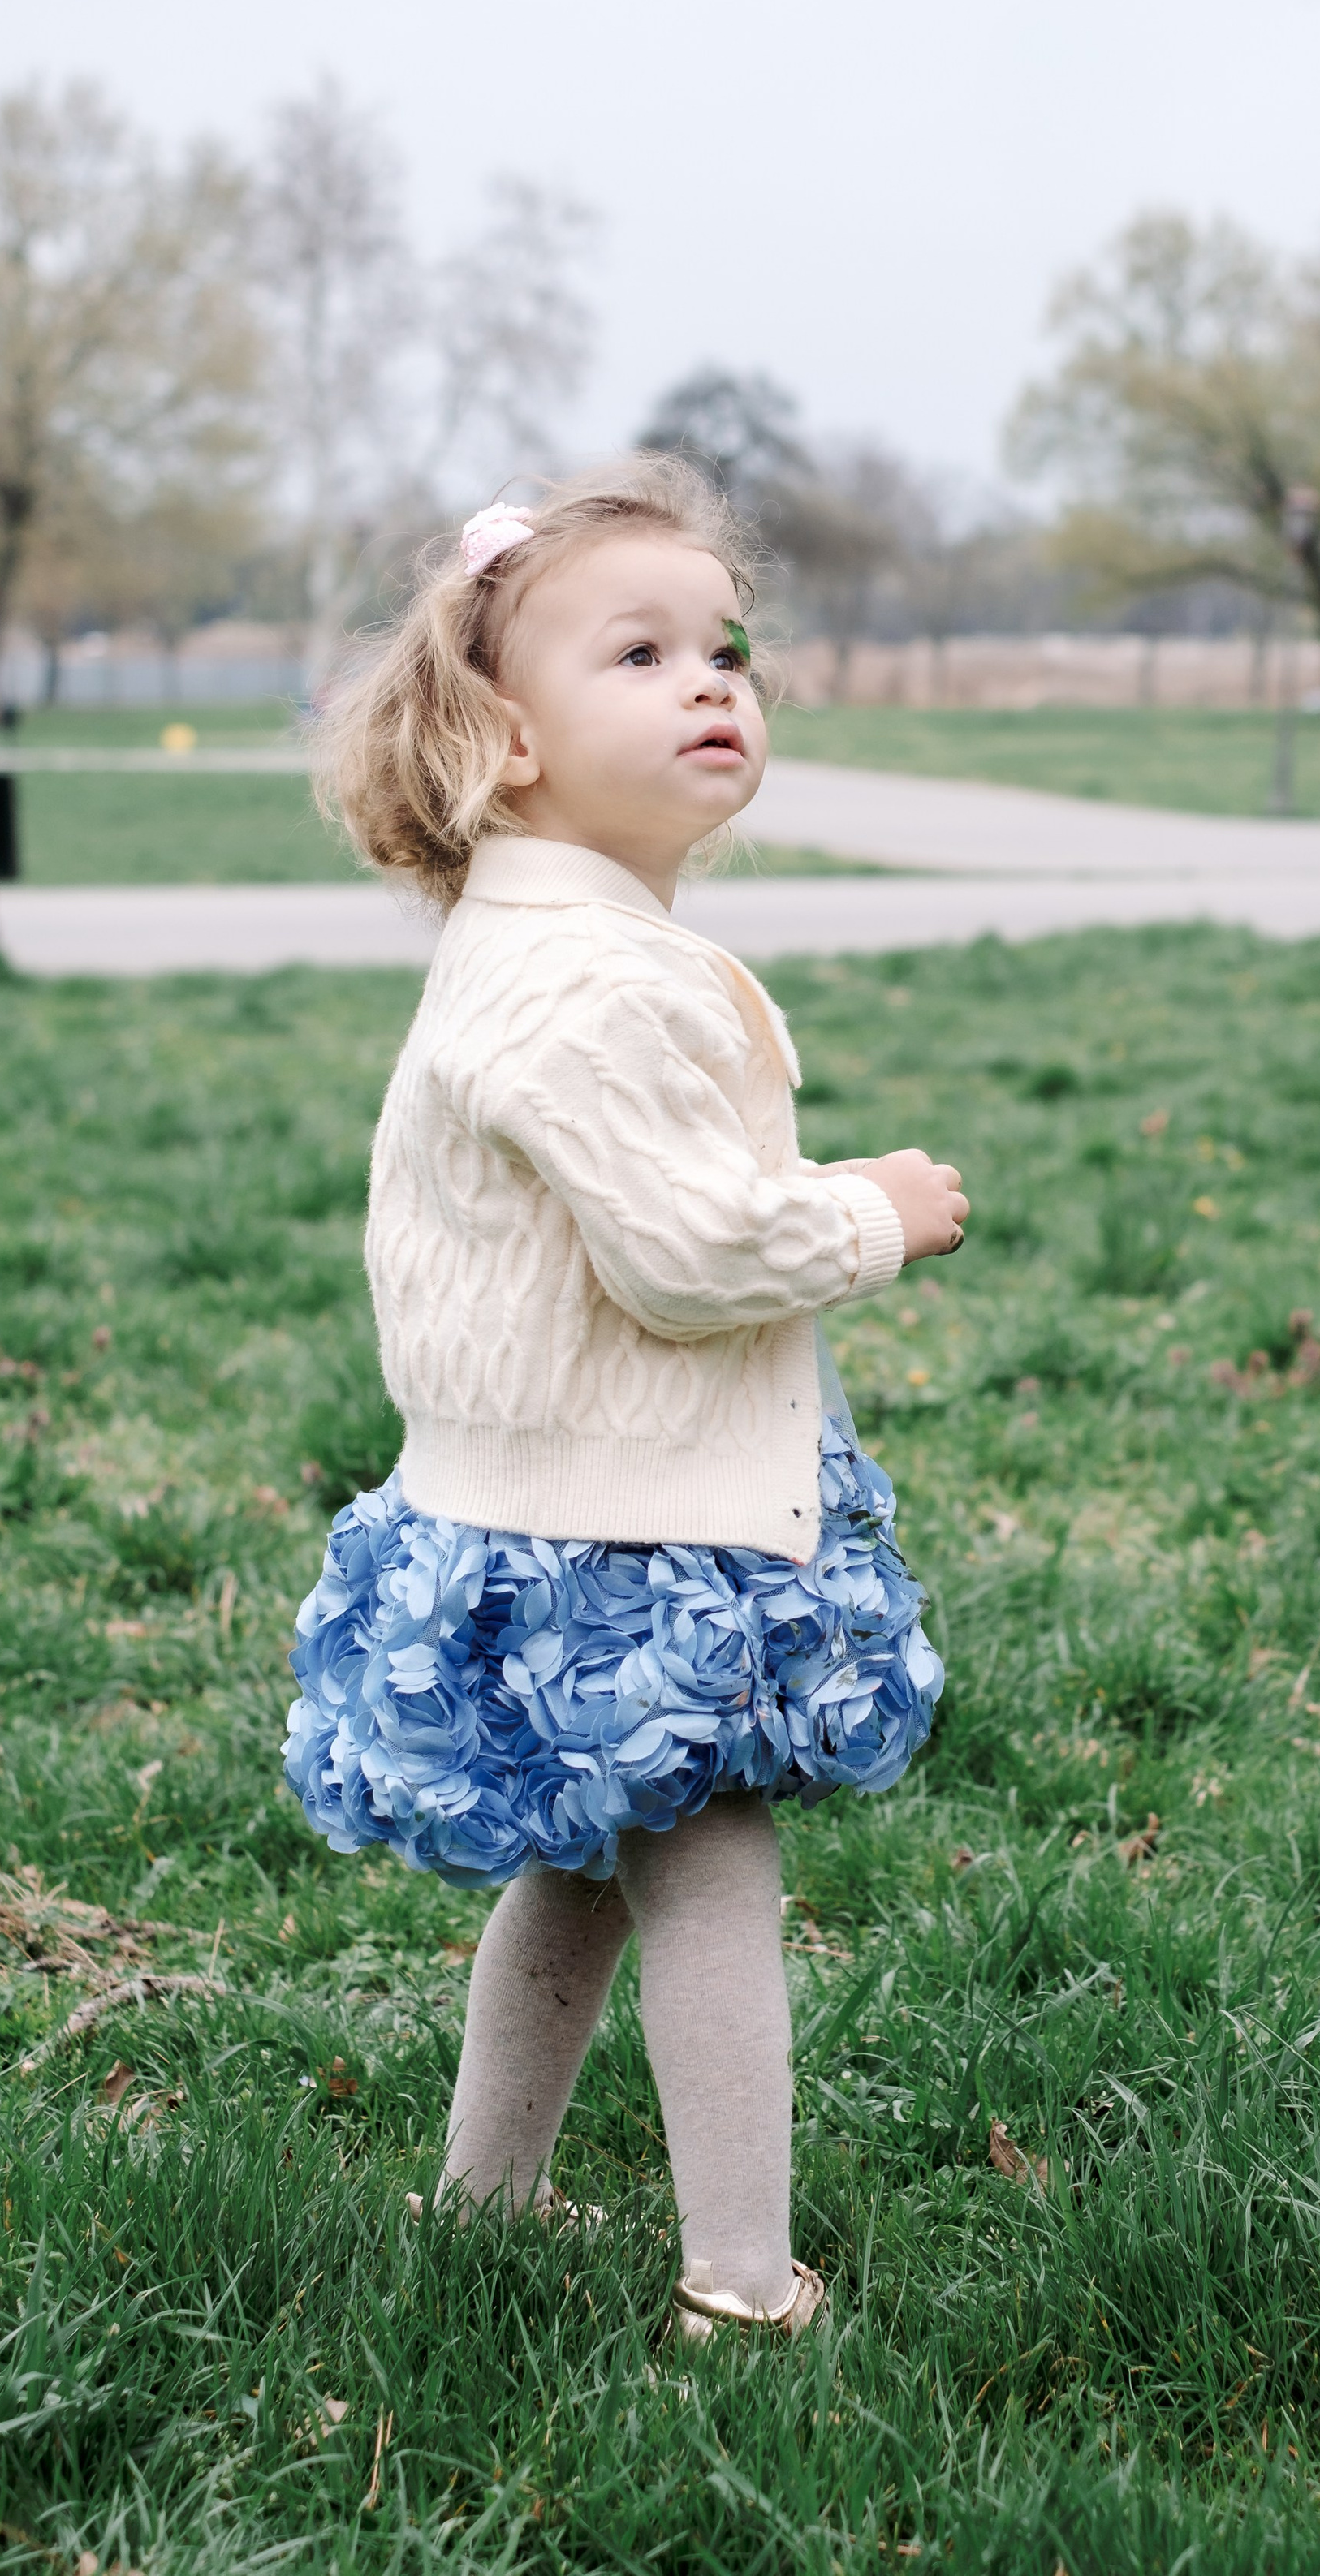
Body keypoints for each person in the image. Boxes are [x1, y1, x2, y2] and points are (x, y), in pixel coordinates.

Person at [282, 454, 967, 2341]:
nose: (710, 682)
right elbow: (690, 1254)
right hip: (631, 1536)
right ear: (504, 742)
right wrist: (873, 1213)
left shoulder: (552, 940)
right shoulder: (585, 980)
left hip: (554, 1503)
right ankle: (740, 2285)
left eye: (723, 648)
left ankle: (484, 2207)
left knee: (578, 1872)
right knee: (711, 1879)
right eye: (640, 654)